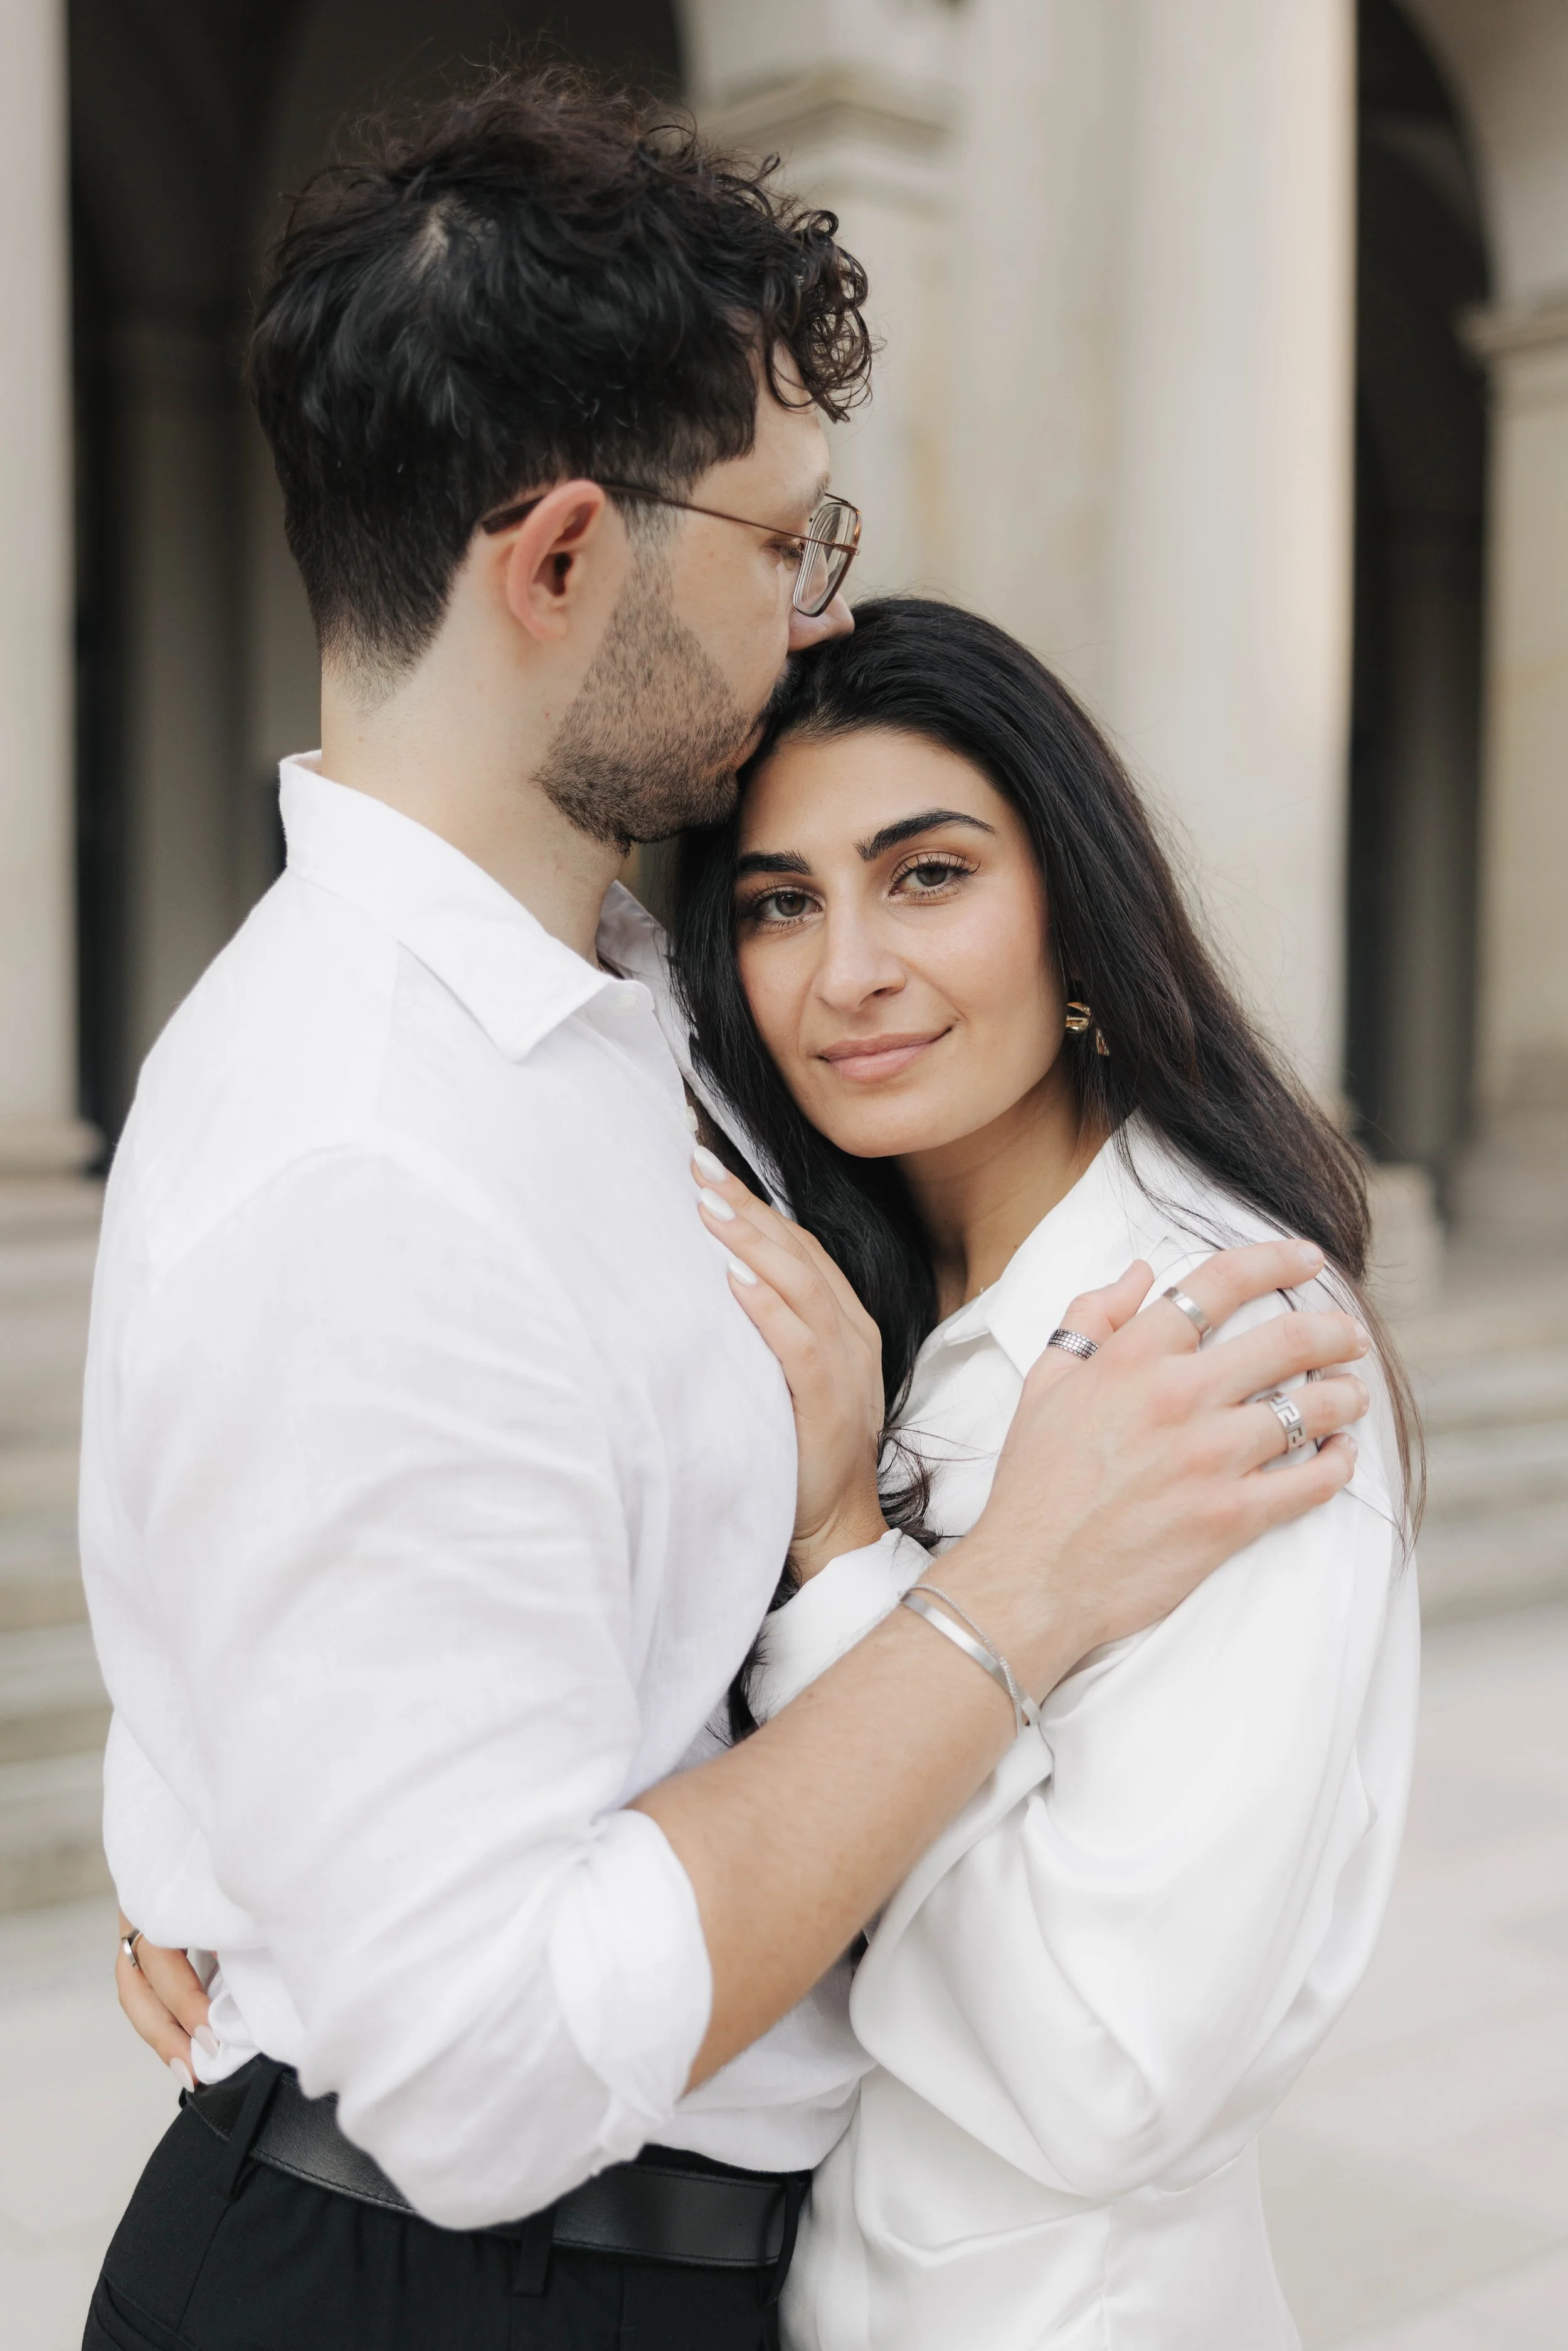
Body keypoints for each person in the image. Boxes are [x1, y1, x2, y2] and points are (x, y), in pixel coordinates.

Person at [86, 74, 1367, 2351]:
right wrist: (1004, 1588)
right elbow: (483, 2080)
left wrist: (225, 1790)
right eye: (781, 543)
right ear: (565, 556)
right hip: (446, 2287)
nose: (813, 615)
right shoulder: (364, 1142)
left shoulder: (631, 999)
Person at [665, 598, 1421, 2349]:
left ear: (1076, 919)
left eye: (923, 874)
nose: (843, 967)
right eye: (779, 900)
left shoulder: (1220, 1342)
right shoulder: (836, 1296)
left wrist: (851, 1547)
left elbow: (1103, 2068)